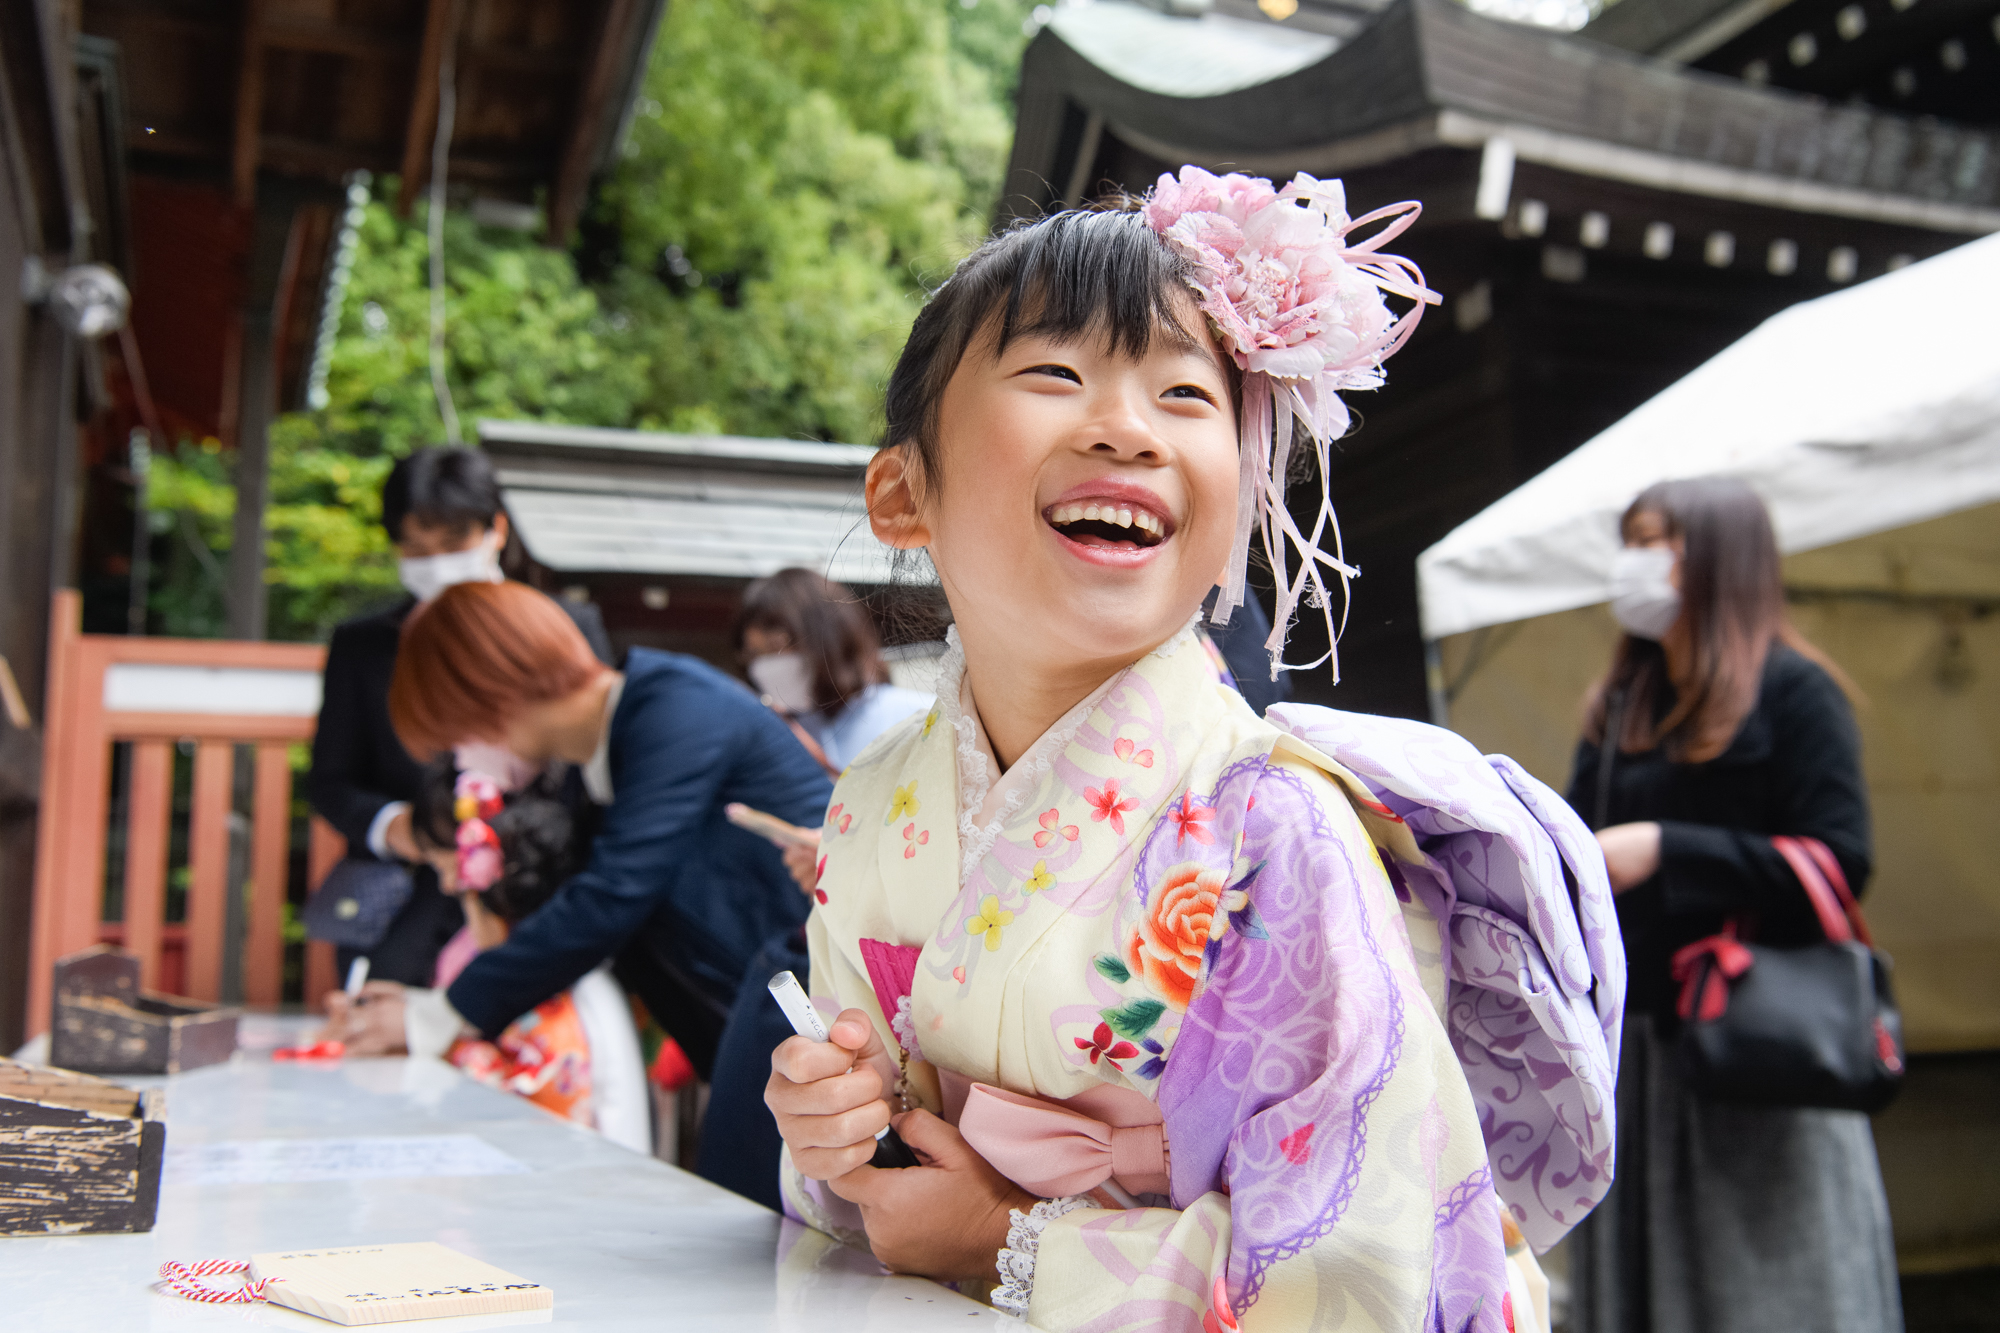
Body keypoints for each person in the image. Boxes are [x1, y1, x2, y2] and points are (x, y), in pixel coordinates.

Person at [764, 171, 1623, 1332]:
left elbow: (1360, 1270)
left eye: (1183, 394)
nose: (1127, 428)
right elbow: (870, 1192)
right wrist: (837, 1129)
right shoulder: (870, 808)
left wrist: (1010, 1238)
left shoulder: (1273, 829)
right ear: (901, 493)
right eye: (1054, 374)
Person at [327, 579, 833, 1208]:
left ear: (486, 696)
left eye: (457, 735)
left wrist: (437, 1015)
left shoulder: (678, 710)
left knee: (764, 1220)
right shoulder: (592, 765)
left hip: (811, 1012)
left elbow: (612, 895)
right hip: (759, 1025)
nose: (464, 759)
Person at [1565, 477, 1901, 1333]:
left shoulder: (1797, 692)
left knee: (1777, 1301)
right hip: (1639, 1055)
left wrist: (1665, 847)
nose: (1634, 561)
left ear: (1719, 555)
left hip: (1759, 1053)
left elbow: (1840, 860)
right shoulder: (1620, 706)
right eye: (1630, 540)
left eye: (1654, 540)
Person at [307, 447, 610, 986]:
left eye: (452, 543)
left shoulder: (563, 627)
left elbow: (593, 761)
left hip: (537, 885)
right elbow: (331, 780)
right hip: (410, 892)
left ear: (496, 529)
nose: (438, 563)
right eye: (416, 548)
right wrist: (399, 828)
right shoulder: (364, 647)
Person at [352, 763, 649, 1154]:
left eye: (468, 899)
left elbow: (525, 1106)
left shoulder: (554, 1008)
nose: (451, 891)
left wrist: (440, 1045)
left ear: (494, 901)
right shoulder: (556, 983)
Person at [735, 567, 933, 771]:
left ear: (829, 637)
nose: (766, 664)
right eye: (753, 654)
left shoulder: (918, 717)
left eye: (777, 645)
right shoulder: (774, 735)